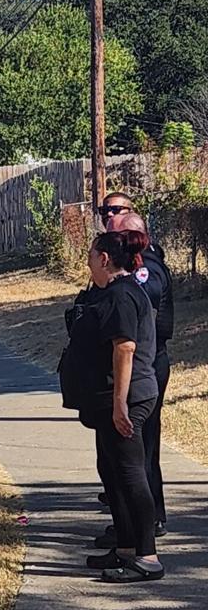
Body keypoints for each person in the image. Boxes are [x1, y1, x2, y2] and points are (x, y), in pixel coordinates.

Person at [60, 230, 163, 582]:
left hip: (129, 397)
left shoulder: (122, 295)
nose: (87, 261)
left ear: (104, 259)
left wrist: (119, 403)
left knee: (131, 472)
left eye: (90, 255)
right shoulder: (109, 293)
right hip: (108, 399)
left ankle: (147, 557)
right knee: (112, 471)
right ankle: (126, 546)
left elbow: (125, 348)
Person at [105, 208, 174, 538]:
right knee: (121, 458)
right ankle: (128, 529)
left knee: (140, 452)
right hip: (133, 369)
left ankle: (147, 526)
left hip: (145, 368)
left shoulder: (145, 269)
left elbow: (146, 304)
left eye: (118, 235)